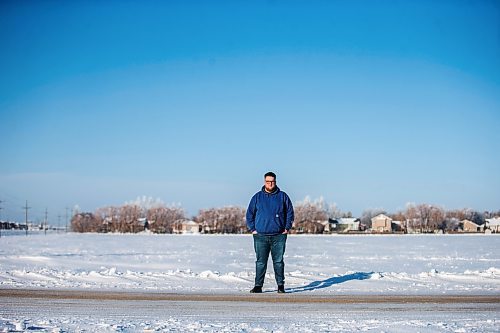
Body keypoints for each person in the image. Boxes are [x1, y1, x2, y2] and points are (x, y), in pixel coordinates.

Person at [246, 171, 294, 293]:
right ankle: (258, 286)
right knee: (260, 262)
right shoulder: (257, 197)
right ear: (264, 182)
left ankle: (280, 286)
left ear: (275, 182)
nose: (270, 184)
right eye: (268, 181)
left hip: (279, 235)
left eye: (272, 181)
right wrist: (253, 229)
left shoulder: (283, 196)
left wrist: (287, 228)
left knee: (278, 262)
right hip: (260, 236)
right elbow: (249, 214)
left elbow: (290, 212)